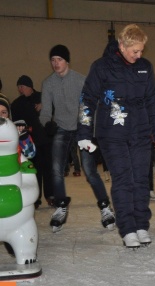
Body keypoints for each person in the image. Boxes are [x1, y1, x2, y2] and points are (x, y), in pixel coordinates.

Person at [77, 24, 155, 248]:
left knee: (140, 179)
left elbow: (153, 100)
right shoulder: (102, 67)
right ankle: (127, 229)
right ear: (121, 45)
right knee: (124, 179)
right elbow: (87, 99)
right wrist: (84, 132)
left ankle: (141, 225)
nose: (139, 55)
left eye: (141, 51)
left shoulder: (145, 67)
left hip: (140, 129)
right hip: (112, 131)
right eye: (134, 51)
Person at [39, 44, 86, 232]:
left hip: (81, 127)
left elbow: (87, 106)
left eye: (59, 59)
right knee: (56, 168)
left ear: (67, 61)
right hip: (61, 127)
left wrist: (87, 127)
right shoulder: (48, 83)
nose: (55, 63)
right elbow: (45, 112)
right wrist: (46, 123)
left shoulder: (81, 80)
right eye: (53, 60)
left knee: (89, 169)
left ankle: (105, 206)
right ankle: (60, 205)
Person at [11, 75, 54, 209]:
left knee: (48, 169)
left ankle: (50, 196)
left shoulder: (42, 97)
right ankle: (36, 198)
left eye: (22, 87)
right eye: (18, 87)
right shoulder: (17, 104)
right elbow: (16, 123)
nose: (20, 89)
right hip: (29, 144)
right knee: (34, 171)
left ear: (29, 86)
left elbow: (55, 106)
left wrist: (44, 105)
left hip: (46, 140)